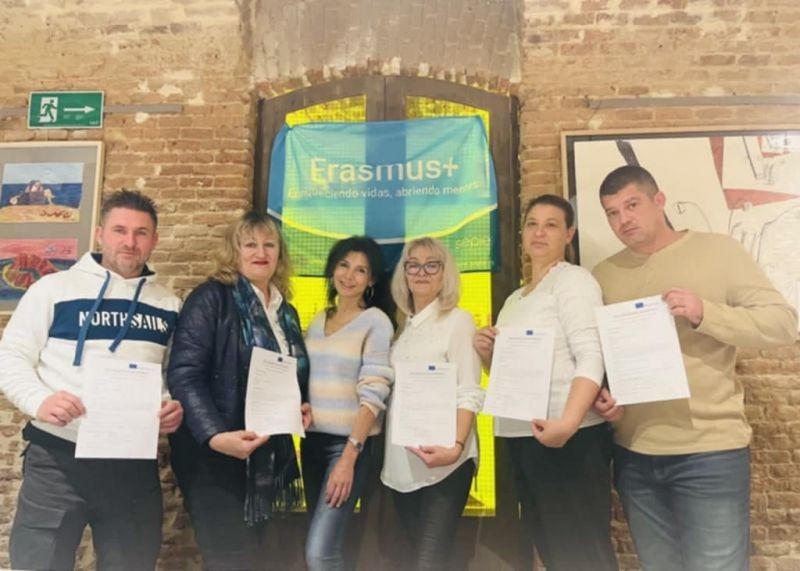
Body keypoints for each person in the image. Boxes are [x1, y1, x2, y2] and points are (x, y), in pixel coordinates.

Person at [592, 165, 798, 571]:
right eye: (612, 212)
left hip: (710, 451)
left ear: (659, 201)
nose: (623, 219)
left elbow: (783, 324)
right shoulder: (604, 275)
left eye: (632, 205)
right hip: (634, 452)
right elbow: (604, 355)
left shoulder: (718, 251)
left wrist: (706, 312)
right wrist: (605, 395)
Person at [0, 189, 183, 571]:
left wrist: (170, 404)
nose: (129, 241)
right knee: (38, 563)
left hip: (131, 464)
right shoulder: (52, 289)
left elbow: (169, 374)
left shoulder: (168, 304)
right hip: (57, 458)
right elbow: (10, 358)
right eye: (119, 230)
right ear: (100, 234)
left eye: (141, 233)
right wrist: (40, 401)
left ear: (154, 240)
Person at [474, 194, 618, 571]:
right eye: (532, 224)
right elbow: (512, 375)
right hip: (524, 436)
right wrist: (488, 355)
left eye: (551, 225)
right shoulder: (515, 299)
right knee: (553, 550)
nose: (539, 232)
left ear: (568, 234)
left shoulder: (573, 281)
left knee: (581, 553)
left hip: (568, 438)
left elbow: (592, 355)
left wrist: (567, 424)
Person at [167, 211, 311, 570]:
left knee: (251, 553)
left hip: (263, 453)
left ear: (280, 254)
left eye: (269, 244)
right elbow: (185, 374)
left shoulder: (286, 312)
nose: (261, 252)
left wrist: (299, 405)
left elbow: (289, 373)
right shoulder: (211, 298)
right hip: (214, 455)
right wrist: (216, 435)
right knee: (231, 558)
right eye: (250, 244)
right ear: (234, 251)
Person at [381, 237, 484, 570]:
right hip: (402, 464)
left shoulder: (458, 320)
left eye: (432, 265)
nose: (421, 272)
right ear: (404, 273)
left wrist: (456, 446)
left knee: (429, 563)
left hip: (445, 462)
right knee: (417, 558)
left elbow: (469, 390)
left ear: (445, 273)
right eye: (413, 265)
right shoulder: (402, 328)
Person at [302, 236, 394, 571]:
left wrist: (349, 457)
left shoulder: (376, 321)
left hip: (347, 447)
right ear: (332, 269)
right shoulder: (317, 320)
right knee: (325, 547)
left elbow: (374, 392)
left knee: (320, 553)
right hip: (311, 443)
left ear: (371, 280)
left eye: (360, 270)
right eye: (343, 265)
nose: (349, 275)